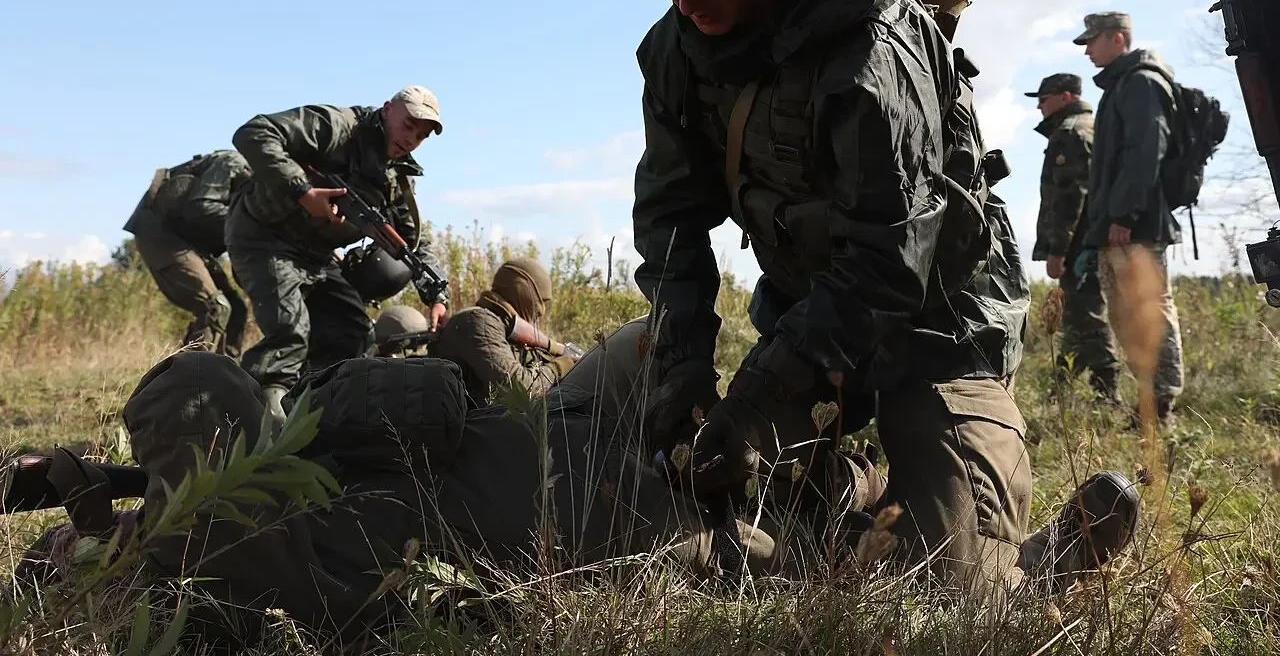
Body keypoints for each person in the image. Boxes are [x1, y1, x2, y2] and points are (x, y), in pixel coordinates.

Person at [608, 0, 1122, 600]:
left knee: (952, 593)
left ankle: (1043, 555)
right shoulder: (677, 52)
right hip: (810, 324)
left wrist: (756, 398)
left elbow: (892, 258)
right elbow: (671, 223)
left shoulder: (874, 45)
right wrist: (683, 372)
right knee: (729, 521)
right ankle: (856, 491)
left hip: (939, 327)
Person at [3, 317, 1141, 650]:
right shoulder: (237, 540)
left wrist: (101, 500)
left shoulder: (226, 545)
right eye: (59, 558)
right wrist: (107, 496)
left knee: (785, 525)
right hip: (607, 500)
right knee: (797, 534)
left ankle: (923, 519)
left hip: (601, 473)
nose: (60, 543)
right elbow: (203, 394)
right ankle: (1013, 561)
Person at [225, 85, 451, 422]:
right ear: (387, 109)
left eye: (421, 136)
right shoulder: (338, 126)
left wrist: (437, 296)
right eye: (408, 125)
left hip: (316, 255)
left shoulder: (396, 177)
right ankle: (252, 430)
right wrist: (303, 191)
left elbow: (412, 241)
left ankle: (319, 418)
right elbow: (254, 132)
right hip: (263, 237)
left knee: (354, 333)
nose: (411, 139)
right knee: (289, 333)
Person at [1074, 12, 1185, 426]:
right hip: (1118, 226)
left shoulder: (1140, 82)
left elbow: (1146, 151)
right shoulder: (1120, 85)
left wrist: (1123, 215)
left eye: (1092, 40)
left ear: (1117, 38)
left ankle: (1160, 407)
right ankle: (1147, 403)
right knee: (1125, 316)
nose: (1087, 50)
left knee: (1148, 312)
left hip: (1135, 225)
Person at [1025, 73, 1123, 403]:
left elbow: (1070, 198)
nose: (1039, 106)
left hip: (1080, 243)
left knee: (1087, 312)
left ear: (1065, 97)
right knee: (1075, 313)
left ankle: (1107, 393)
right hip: (1095, 238)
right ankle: (1061, 389)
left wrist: (1058, 250)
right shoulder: (1094, 127)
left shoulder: (1069, 133)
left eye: (1044, 99)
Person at [122, 149, 252, 358]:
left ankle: (225, 372)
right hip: (160, 235)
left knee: (236, 308)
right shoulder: (233, 163)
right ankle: (189, 375)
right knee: (214, 307)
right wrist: (249, 224)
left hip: (189, 241)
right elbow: (200, 208)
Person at [425, 257, 575, 405]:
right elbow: (520, 390)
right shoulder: (480, 322)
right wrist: (558, 368)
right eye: (540, 301)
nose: (541, 312)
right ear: (522, 291)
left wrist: (555, 351)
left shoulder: (503, 327)